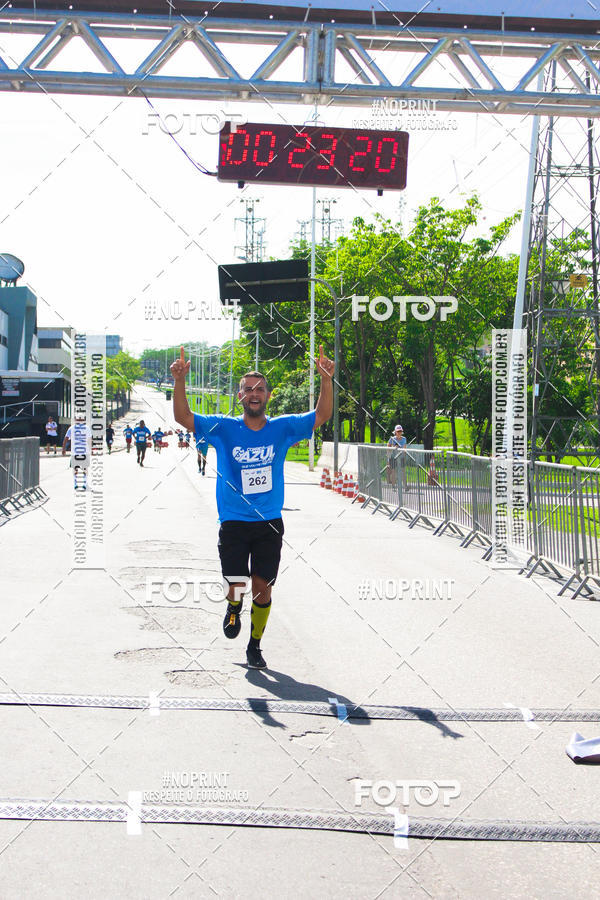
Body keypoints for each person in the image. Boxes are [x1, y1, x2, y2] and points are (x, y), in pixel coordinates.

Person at [171, 344, 334, 669]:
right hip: (233, 520)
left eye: (260, 389)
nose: (254, 394)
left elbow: (321, 416)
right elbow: (183, 417)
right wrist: (179, 381)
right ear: (240, 396)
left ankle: (254, 645)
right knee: (236, 584)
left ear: (268, 396)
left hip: (268, 521)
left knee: (262, 587)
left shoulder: (282, 428)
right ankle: (233, 606)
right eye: (248, 389)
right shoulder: (224, 428)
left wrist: (326, 380)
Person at [62, 422, 91, 490]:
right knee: (85, 468)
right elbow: (89, 440)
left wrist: (64, 449)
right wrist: (90, 449)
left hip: (75, 452)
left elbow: (66, 438)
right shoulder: (87, 428)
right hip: (84, 452)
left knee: (75, 468)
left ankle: (76, 483)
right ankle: (84, 483)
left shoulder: (71, 428)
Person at [387, 424, 408, 491]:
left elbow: (404, 449)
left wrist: (404, 457)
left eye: (400, 431)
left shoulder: (404, 439)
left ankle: (405, 487)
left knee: (403, 472)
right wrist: (393, 447)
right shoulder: (392, 439)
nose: (399, 433)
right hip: (393, 457)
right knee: (393, 472)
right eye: (398, 431)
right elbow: (388, 448)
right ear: (395, 432)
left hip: (401, 457)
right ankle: (393, 487)